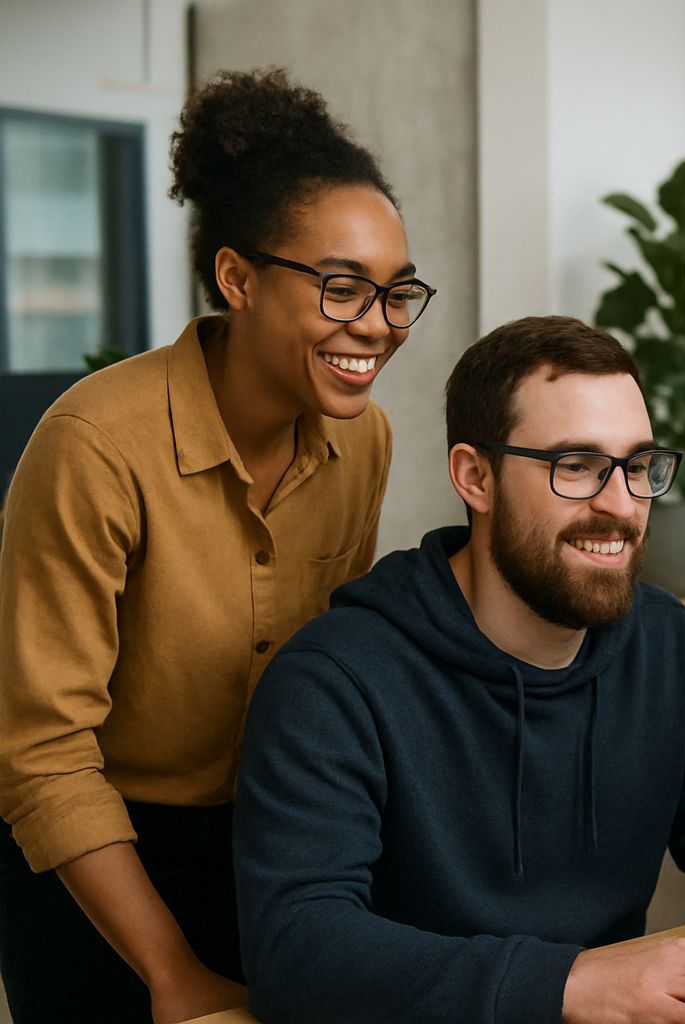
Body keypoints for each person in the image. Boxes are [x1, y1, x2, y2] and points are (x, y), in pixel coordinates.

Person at [232, 315, 685, 1024]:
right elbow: (298, 950)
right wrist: (566, 982)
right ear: (475, 476)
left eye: (637, 466)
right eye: (576, 466)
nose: (622, 504)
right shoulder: (334, 681)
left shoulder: (664, 640)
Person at [0, 69, 432, 1023]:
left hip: (275, 842)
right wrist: (169, 970)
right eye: (342, 287)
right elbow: (41, 756)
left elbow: (334, 666)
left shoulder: (364, 437)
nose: (378, 324)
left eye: (398, 292)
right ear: (237, 277)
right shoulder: (96, 447)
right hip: (99, 858)